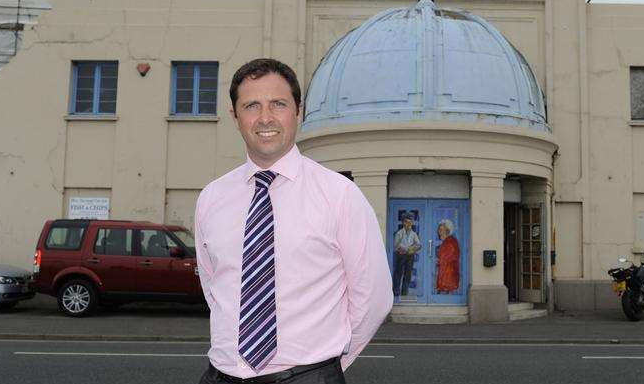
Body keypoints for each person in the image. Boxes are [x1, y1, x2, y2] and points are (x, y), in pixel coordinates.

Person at [195, 58, 393, 383]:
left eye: (278, 104)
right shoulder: (211, 199)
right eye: (251, 106)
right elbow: (216, 289)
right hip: (221, 376)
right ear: (235, 116)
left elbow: (373, 298)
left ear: (298, 110)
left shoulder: (339, 195)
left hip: (307, 376)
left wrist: (327, 365)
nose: (265, 118)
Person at [391, 214, 421, 297]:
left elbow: (418, 245)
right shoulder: (399, 233)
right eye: (407, 222)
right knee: (398, 274)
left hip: (410, 256)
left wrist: (413, 249)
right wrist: (402, 249)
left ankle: (404, 293)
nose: (409, 225)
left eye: (410, 223)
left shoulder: (414, 234)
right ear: (403, 223)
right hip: (401, 256)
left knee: (407, 275)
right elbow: (396, 246)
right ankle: (396, 293)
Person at [435, 219, 460, 294]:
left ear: (448, 231)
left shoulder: (450, 242)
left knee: (446, 290)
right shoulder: (446, 242)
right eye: (439, 229)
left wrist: (439, 260)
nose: (439, 232)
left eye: (442, 230)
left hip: (448, 274)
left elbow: (447, 257)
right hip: (444, 273)